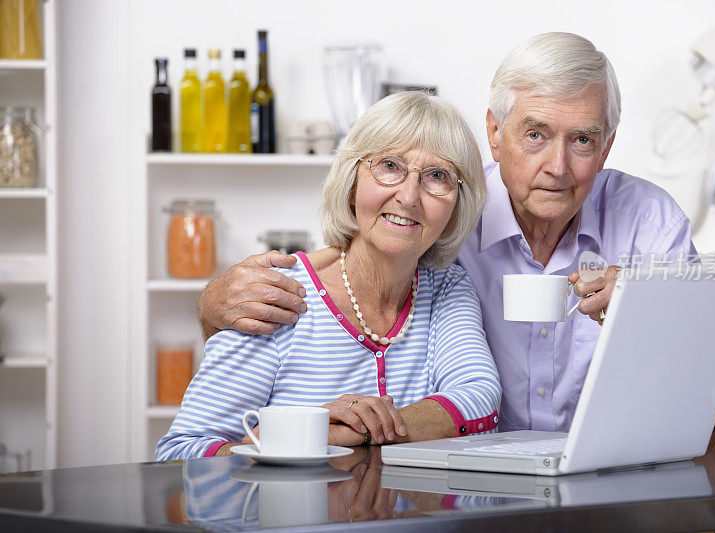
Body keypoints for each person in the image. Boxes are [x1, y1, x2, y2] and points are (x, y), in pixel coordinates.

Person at [196, 33, 715, 433]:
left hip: (616, 481)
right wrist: (213, 305)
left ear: (606, 146)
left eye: (582, 140)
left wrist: (654, 314)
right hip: (478, 490)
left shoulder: (650, 222)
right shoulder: (443, 207)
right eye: (534, 134)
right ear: (494, 131)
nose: (557, 166)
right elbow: (352, 259)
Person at [156, 92, 500, 460]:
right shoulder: (277, 294)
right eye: (389, 166)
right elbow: (180, 454)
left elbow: (479, 398)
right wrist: (308, 430)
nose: (409, 196)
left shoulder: (448, 288)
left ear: (457, 204)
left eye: (438, 176)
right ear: (352, 183)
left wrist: (358, 430)